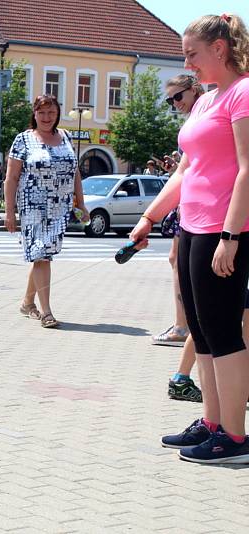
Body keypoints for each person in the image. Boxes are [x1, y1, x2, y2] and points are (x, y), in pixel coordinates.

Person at [129, 14, 249, 463]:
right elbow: (185, 170)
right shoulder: (205, 102)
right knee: (200, 333)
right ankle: (213, 422)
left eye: (192, 54)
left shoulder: (242, 94)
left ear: (219, 49)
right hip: (193, 227)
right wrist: (148, 217)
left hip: (224, 230)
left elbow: (246, 169)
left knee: (223, 334)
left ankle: (236, 438)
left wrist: (232, 236)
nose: (188, 63)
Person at [4, 94, 89, 329]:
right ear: (34, 113)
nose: (46, 117)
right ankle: (47, 312)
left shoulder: (66, 137)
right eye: (41, 112)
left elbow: (75, 173)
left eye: (51, 112)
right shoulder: (23, 140)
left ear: (57, 114)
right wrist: (10, 212)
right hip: (33, 207)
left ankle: (27, 302)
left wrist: (80, 203)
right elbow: (11, 178)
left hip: (59, 207)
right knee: (42, 255)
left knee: (42, 255)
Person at [154, 75, 206, 402]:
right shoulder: (196, 121)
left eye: (178, 96)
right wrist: (150, 217)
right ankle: (183, 376)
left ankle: (182, 375)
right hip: (202, 218)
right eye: (170, 99)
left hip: (205, 216)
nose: (175, 103)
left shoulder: (210, 112)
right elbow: (184, 172)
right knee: (222, 316)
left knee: (226, 316)